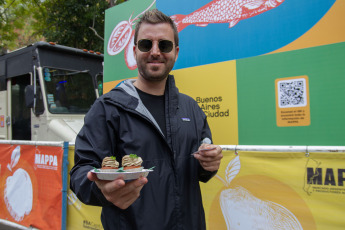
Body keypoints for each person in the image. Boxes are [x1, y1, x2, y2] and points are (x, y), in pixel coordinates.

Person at [70, 9, 223, 230]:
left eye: (164, 45)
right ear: (134, 51)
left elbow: (202, 169)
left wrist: (210, 165)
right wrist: (101, 189)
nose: (155, 52)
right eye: (145, 44)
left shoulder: (191, 107)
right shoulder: (107, 108)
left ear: (176, 52)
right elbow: (81, 172)